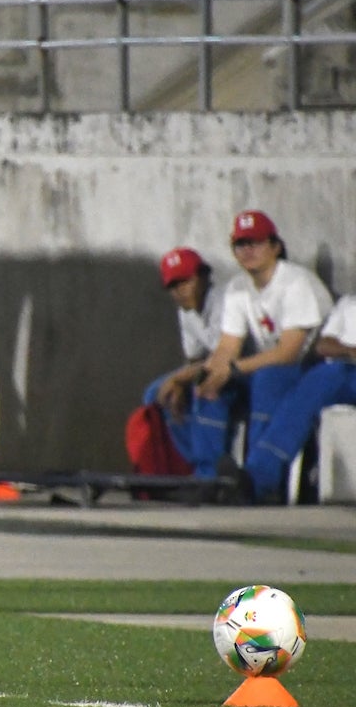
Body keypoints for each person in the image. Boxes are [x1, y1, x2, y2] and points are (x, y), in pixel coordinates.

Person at [193, 209, 334, 487]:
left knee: (268, 378)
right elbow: (227, 345)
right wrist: (214, 371)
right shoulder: (237, 287)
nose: (248, 251)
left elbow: (289, 353)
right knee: (211, 386)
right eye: (241, 244)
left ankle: (259, 481)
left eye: (256, 243)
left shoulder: (295, 282)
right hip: (264, 368)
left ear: (275, 246)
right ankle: (208, 478)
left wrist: (232, 369)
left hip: (308, 372)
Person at [241, 295, 356, 502]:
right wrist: (350, 351)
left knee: (325, 376)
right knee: (271, 377)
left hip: (341, 374)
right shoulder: (348, 303)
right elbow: (324, 345)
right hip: (340, 371)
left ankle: (258, 476)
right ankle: (262, 481)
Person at [137, 247, 222, 464]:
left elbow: (224, 358)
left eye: (186, 281)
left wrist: (179, 379)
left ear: (203, 276)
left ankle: (210, 469)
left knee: (207, 389)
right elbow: (194, 358)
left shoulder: (222, 300)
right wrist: (179, 384)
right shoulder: (186, 310)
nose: (180, 291)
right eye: (173, 286)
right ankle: (187, 464)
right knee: (157, 394)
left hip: (237, 370)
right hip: (207, 367)